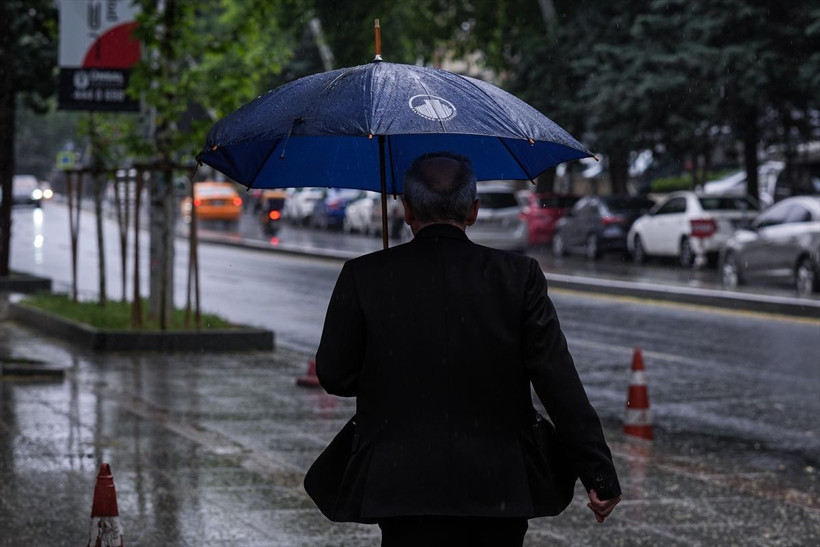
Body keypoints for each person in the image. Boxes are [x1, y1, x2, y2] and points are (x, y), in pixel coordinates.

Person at [312, 152, 621, 546]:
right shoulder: (518, 276)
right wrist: (598, 472)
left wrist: (391, 369)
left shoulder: (364, 275)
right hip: (499, 483)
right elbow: (558, 382)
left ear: (407, 210)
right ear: (473, 211)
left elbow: (334, 375)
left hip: (402, 484)